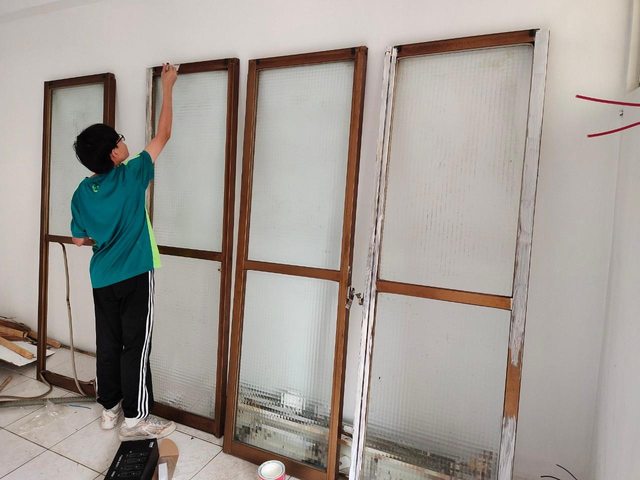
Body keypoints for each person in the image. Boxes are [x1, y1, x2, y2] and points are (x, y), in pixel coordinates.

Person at [70, 63, 178, 441]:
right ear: (115, 153)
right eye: (120, 139)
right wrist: (168, 85)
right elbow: (163, 134)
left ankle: (109, 409)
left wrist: (103, 235)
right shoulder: (132, 174)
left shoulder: (82, 192)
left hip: (102, 278)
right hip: (134, 274)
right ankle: (135, 419)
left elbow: (79, 240)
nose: (124, 141)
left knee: (108, 342)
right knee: (136, 345)